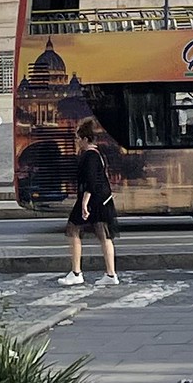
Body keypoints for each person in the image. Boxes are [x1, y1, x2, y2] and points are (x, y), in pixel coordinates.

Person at [61, 117, 119, 286]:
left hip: (93, 199)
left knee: (73, 229)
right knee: (103, 235)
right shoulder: (97, 154)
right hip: (102, 199)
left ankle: (76, 272)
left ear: (85, 139)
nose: (76, 141)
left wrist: (84, 203)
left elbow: (91, 182)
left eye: (78, 138)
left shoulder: (89, 156)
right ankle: (110, 274)